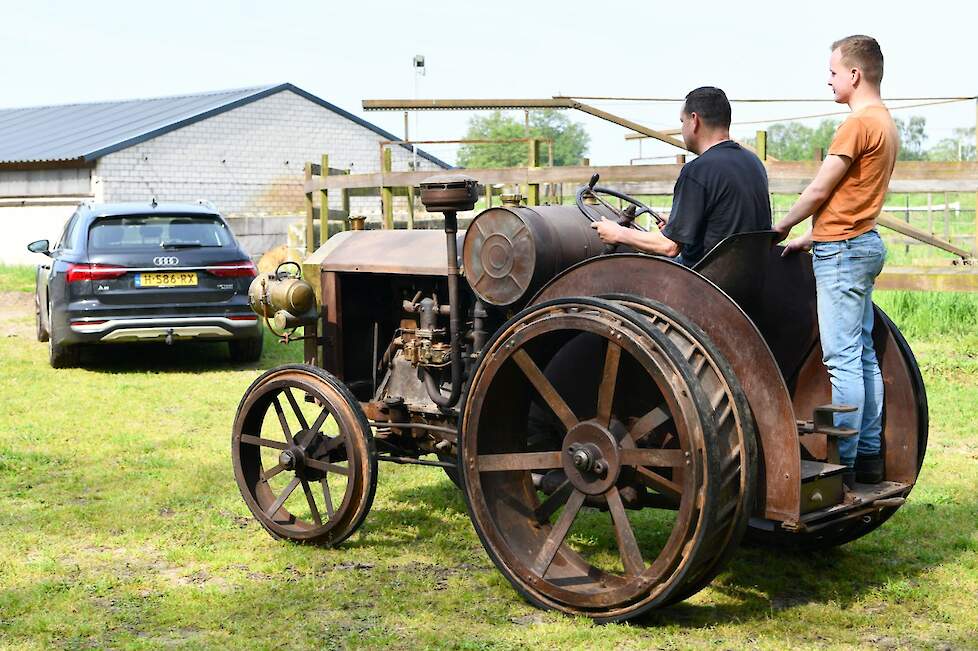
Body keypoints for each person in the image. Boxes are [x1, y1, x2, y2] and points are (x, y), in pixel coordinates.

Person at [774, 35, 897, 487]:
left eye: (831, 72)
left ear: (854, 74)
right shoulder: (886, 123)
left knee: (841, 359)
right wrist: (813, 236)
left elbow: (821, 189)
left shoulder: (856, 125)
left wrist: (783, 226)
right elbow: (855, 199)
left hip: (844, 252)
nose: (827, 80)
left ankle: (842, 465)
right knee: (862, 355)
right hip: (861, 242)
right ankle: (868, 457)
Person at [591, 86, 771, 266]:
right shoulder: (753, 162)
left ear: (694, 120)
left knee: (627, 273)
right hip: (747, 276)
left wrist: (618, 233)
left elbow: (669, 247)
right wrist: (680, 225)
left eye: (682, 121)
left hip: (704, 280)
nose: (682, 128)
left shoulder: (699, 170)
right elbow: (728, 224)